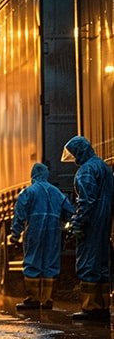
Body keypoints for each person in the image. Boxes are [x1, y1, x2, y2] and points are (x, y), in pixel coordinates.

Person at [62, 136, 114, 320]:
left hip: (92, 224)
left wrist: (77, 223)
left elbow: (86, 201)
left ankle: (90, 307)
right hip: (105, 221)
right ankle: (102, 306)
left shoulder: (85, 171)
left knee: (88, 263)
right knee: (101, 264)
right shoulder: (104, 167)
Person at [10, 163, 74, 310]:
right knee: (50, 262)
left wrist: (15, 233)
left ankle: (33, 298)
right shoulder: (56, 192)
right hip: (53, 229)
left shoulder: (28, 192)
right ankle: (47, 299)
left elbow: (20, 213)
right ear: (46, 174)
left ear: (33, 175)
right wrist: (72, 226)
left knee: (33, 260)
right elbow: (69, 211)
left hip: (35, 228)